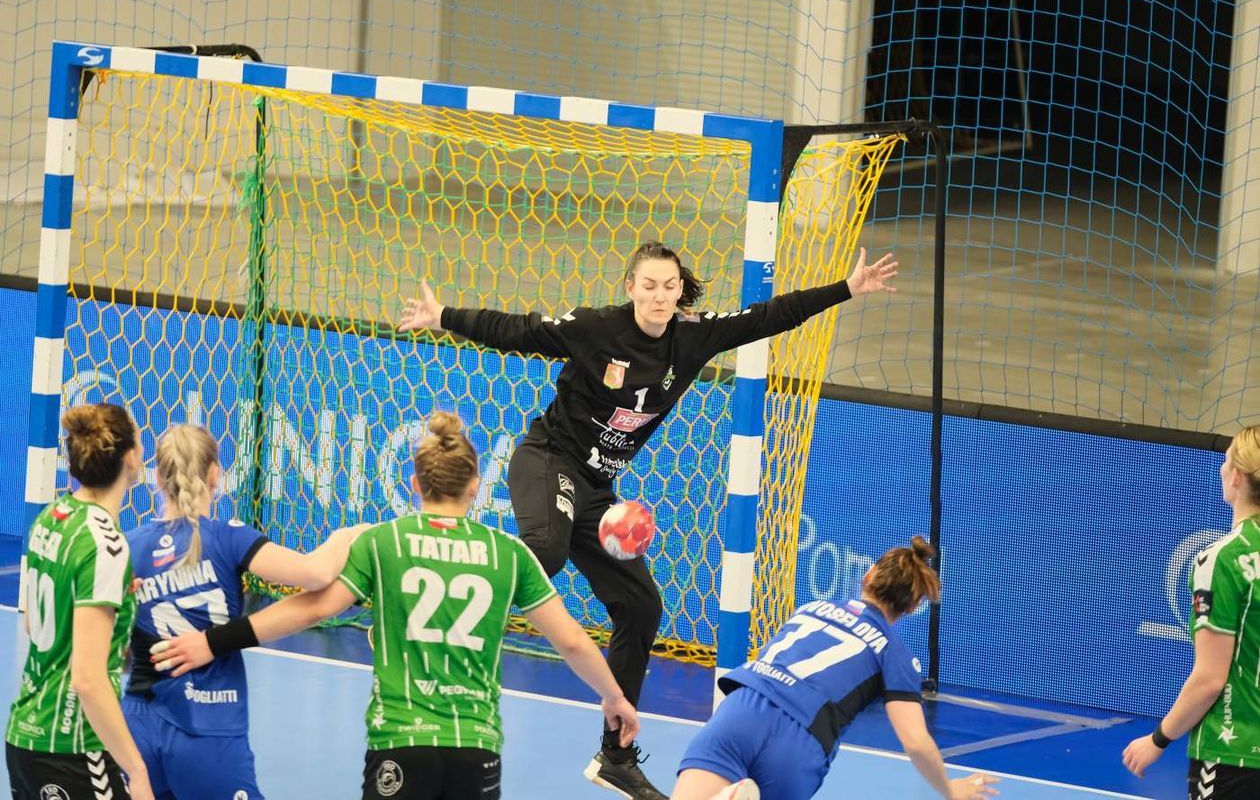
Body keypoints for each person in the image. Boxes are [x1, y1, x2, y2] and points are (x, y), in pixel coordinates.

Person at [395, 241, 900, 799]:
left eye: (669, 286)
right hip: (549, 461)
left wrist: (846, 289)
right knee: (546, 551)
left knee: (641, 606)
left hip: (597, 492)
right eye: (649, 285)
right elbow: (519, 331)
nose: (659, 296)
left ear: (680, 289)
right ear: (630, 286)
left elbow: (767, 316)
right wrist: (443, 317)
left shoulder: (692, 337)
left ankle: (616, 755)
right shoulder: (596, 328)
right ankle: (442, 617)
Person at [148, 410, 639, 800]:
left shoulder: (384, 543)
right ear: (475, 486)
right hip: (476, 746)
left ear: (414, 484)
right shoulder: (510, 556)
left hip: (400, 742)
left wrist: (214, 641)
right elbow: (573, 640)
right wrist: (614, 697)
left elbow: (312, 609)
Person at [122, 423, 367, 799]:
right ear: (216, 473)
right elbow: (315, 574)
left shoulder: (131, 546)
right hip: (208, 725)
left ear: (156, 476)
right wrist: (347, 535)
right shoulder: (228, 537)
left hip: (138, 724)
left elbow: (115, 644)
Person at [671, 537, 1000, 800]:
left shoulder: (812, 608)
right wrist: (950, 789)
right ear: (914, 607)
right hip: (799, 740)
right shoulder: (895, 654)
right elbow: (915, 741)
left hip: (742, 710)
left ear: (868, 576)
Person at [5, 403, 155, 800]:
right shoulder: (106, 544)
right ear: (130, 459)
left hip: (24, 735)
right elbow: (87, 679)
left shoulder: (51, 517)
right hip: (72, 746)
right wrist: (136, 770)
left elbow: (34, 627)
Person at [1123, 426, 1260, 798]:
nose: (1221, 466)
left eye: (1227, 457)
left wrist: (1158, 738)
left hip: (1235, 752)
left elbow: (1210, 679)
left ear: (1236, 477)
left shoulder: (1223, 560)